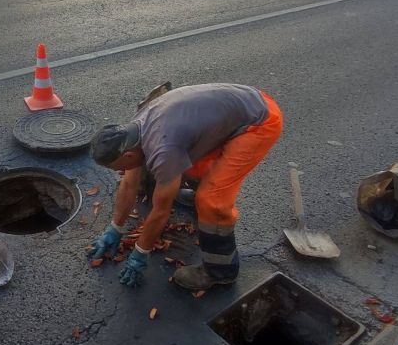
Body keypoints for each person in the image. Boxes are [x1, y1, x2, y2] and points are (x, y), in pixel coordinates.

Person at [88, 84, 283, 291]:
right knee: (187, 166)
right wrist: (115, 228)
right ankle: (200, 193)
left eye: (117, 167)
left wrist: (140, 252)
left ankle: (220, 271)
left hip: (259, 122)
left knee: (211, 200)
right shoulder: (133, 134)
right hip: (239, 107)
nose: (120, 172)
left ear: (127, 156)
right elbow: (129, 184)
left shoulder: (163, 150)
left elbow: (161, 211)